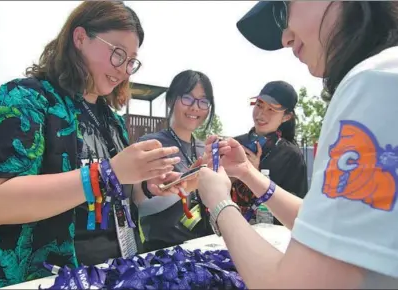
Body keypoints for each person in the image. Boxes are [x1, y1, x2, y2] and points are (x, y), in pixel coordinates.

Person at [0, 2, 183, 288]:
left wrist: (146, 185)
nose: (123, 70)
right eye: (118, 54)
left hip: (117, 275)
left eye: (131, 61)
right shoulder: (23, 99)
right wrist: (107, 173)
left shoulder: (113, 121)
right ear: (80, 38)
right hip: (42, 279)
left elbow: (118, 197)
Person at [196, 1, 398, 288]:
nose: (285, 38)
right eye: (259, 105)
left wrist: (218, 201)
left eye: (284, 10)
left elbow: (294, 284)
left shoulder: (375, 81)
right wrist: (247, 173)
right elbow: (327, 225)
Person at [132, 70, 215, 252]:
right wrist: (187, 186)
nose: (195, 107)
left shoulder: (204, 149)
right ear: (171, 100)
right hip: (162, 253)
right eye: (187, 98)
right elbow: (140, 206)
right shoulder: (151, 144)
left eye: (203, 101)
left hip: (202, 249)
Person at [232, 80, 308, 224]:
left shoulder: (291, 155)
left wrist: (253, 174)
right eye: (259, 105)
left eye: (271, 110)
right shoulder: (235, 144)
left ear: (286, 117)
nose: (261, 114)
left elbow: (296, 213)